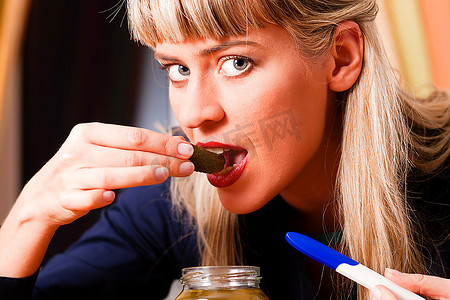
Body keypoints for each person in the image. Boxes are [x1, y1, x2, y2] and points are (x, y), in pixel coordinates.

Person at [0, 0, 449, 299]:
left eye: (236, 62)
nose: (195, 113)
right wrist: (26, 221)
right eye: (176, 68)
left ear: (342, 56)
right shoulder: (172, 206)